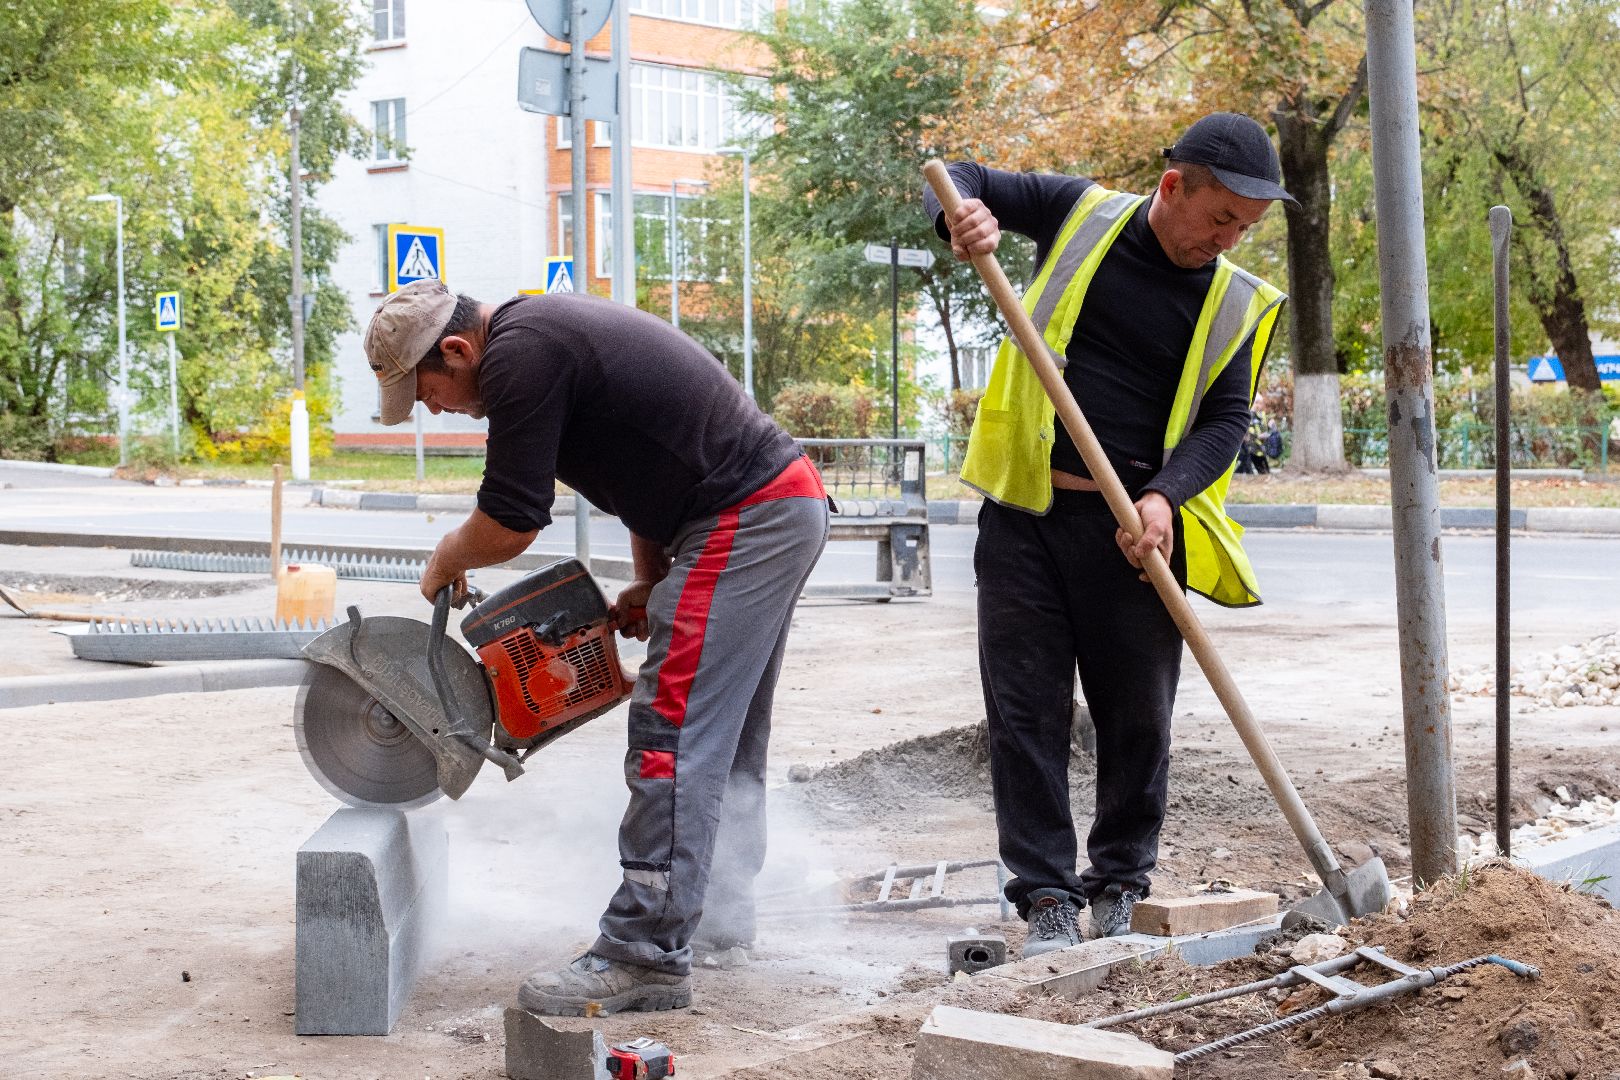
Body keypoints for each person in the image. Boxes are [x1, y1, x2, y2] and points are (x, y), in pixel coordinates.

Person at [362, 282, 830, 1014]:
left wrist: (448, 558)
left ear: (456, 351)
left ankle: (644, 954)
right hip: (758, 509)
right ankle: (719, 915)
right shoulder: (538, 336)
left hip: (746, 517)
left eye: (427, 393)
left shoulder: (521, 355)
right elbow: (648, 474)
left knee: (672, 732)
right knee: (722, 735)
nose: (431, 409)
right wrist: (653, 581)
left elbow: (511, 518)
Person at [925, 112, 1293, 955]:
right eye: (1222, 217)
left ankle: (1119, 883)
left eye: (1247, 226)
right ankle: (1047, 898)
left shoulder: (1235, 301)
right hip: (1025, 519)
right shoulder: (1078, 212)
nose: (1229, 238)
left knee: (1138, 720)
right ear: (1174, 187)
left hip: (1135, 533)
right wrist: (960, 217)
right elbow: (960, 174)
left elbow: (1226, 418)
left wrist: (1164, 497)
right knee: (1025, 716)